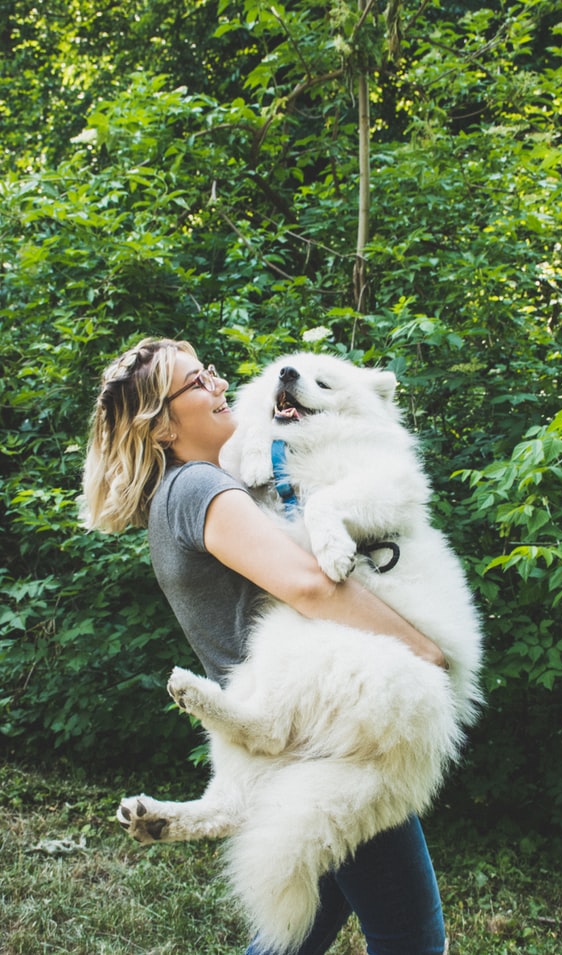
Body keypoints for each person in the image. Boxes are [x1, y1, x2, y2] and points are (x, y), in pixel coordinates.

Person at [82, 336, 448, 955]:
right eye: (197, 383)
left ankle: (212, 811)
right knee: (411, 937)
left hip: (297, 727)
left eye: (213, 373)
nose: (220, 385)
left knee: (300, 932)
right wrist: (423, 652)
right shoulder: (200, 487)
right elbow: (310, 584)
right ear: (163, 425)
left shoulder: (196, 489)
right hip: (318, 731)